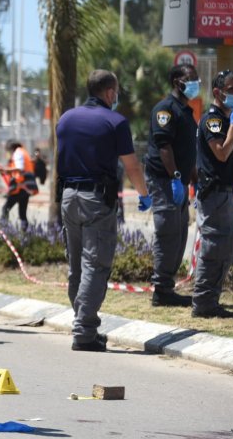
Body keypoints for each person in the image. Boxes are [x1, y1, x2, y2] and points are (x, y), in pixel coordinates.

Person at [57, 69, 152, 352]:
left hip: (68, 197)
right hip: (96, 200)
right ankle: (84, 332)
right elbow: (132, 165)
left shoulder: (66, 118)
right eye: (117, 92)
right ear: (110, 92)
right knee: (95, 265)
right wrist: (143, 194)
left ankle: (83, 322)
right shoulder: (115, 121)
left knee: (76, 265)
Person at [143, 64, 200, 307]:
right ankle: (161, 290)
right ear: (177, 81)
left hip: (179, 181)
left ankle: (167, 286)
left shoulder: (185, 111)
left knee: (179, 233)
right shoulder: (165, 109)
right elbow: (164, 147)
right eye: (191, 79)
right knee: (168, 232)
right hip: (164, 180)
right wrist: (176, 177)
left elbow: (188, 151)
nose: (195, 83)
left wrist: (195, 179)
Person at [193, 69, 233, 320]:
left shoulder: (223, 120)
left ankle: (210, 301)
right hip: (214, 195)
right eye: (232, 89)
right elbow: (222, 153)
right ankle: (203, 303)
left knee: (224, 248)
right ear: (218, 92)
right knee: (214, 247)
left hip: (227, 193)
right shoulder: (213, 120)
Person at [0, 139, 37, 230]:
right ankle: (25, 234)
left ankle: (3, 231)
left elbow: (20, 168)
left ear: (11, 148)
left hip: (19, 187)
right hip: (26, 188)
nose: (8, 153)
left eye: (8, 150)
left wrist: (6, 169)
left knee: (5, 209)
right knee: (22, 214)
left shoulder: (17, 153)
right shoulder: (24, 152)